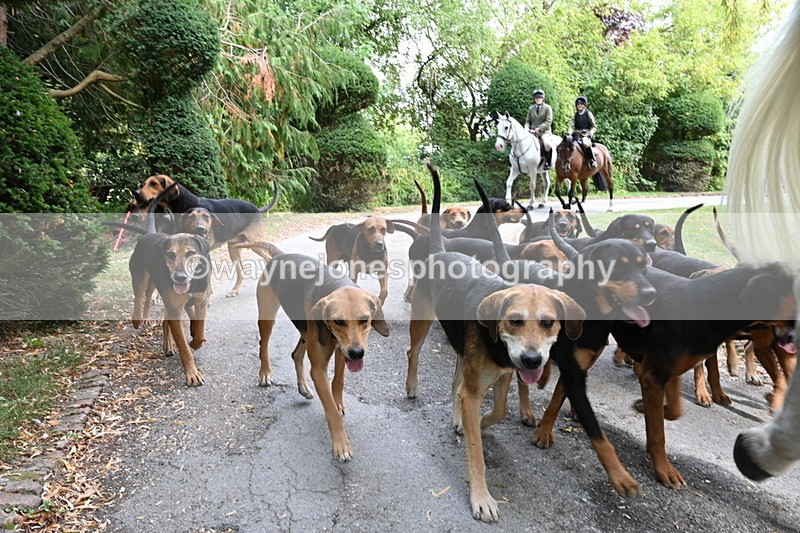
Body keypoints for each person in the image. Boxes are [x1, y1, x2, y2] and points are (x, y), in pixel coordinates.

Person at [524, 89, 554, 170]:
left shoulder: (548, 108)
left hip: (544, 132)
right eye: (536, 98)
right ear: (534, 99)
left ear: (542, 98)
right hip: (532, 132)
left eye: (539, 98)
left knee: (547, 144)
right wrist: (526, 128)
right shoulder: (531, 108)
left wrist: (539, 129)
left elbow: (548, 121)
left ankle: (548, 162)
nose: (538, 99)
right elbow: (527, 121)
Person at [568, 96, 598, 168]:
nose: (579, 106)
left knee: (585, 143)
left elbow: (594, 126)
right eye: (578, 105)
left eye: (581, 104)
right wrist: (569, 133)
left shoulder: (588, 114)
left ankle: (592, 160)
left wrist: (590, 133)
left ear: (584, 105)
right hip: (577, 134)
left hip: (586, 134)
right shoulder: (575, 115)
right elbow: (572, 126)